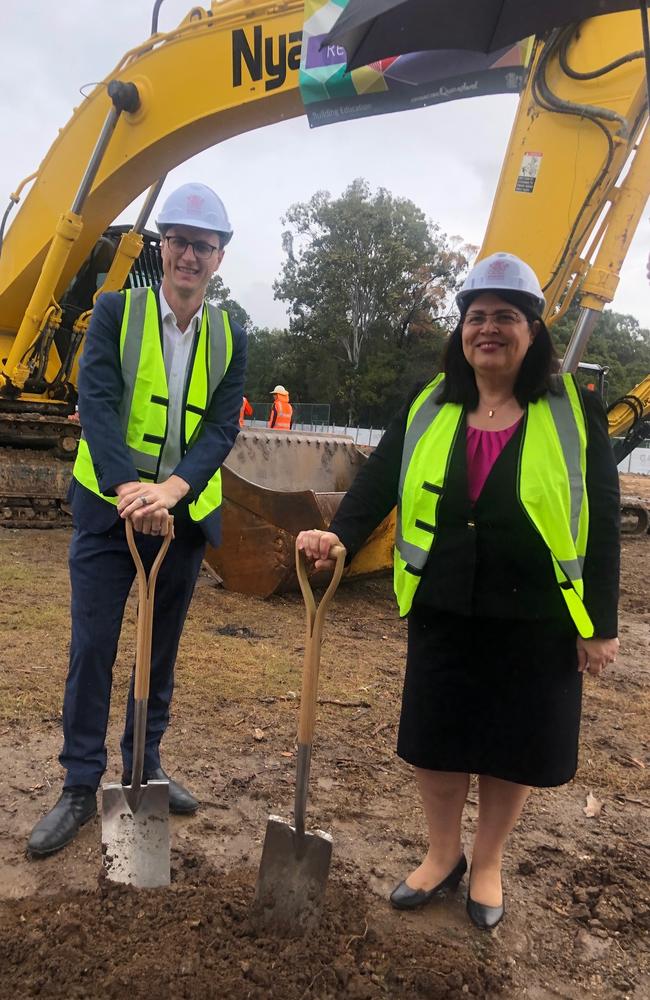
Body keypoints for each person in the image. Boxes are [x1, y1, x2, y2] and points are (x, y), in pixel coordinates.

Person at [297, 252, 620, 931]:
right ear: (461, 331)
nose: (489, 329)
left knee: (513, 744)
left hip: (537, 611)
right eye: (477, 317)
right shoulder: (431, 401)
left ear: (533, 331)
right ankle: (442, 855)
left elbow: (602, 517)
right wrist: (340, 538)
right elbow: (380, 479)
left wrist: (600, 622)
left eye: (506, 317)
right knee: (438, 738)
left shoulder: (571, 410)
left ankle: (490, 861)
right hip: (443, 601)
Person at [27, 182, 247, 857]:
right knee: (92, 648)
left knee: (159, 653)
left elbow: (220, 425)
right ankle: (78, 784)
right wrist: (130, 489)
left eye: (201, 246)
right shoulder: (116, 311)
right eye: (178, 241)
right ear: (163, 249)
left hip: (180, 520)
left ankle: (144, 763)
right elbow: (95, 403)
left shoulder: (231, 332)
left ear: (218, 258)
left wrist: (173, 492)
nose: (188, 255)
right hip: (108, 515)